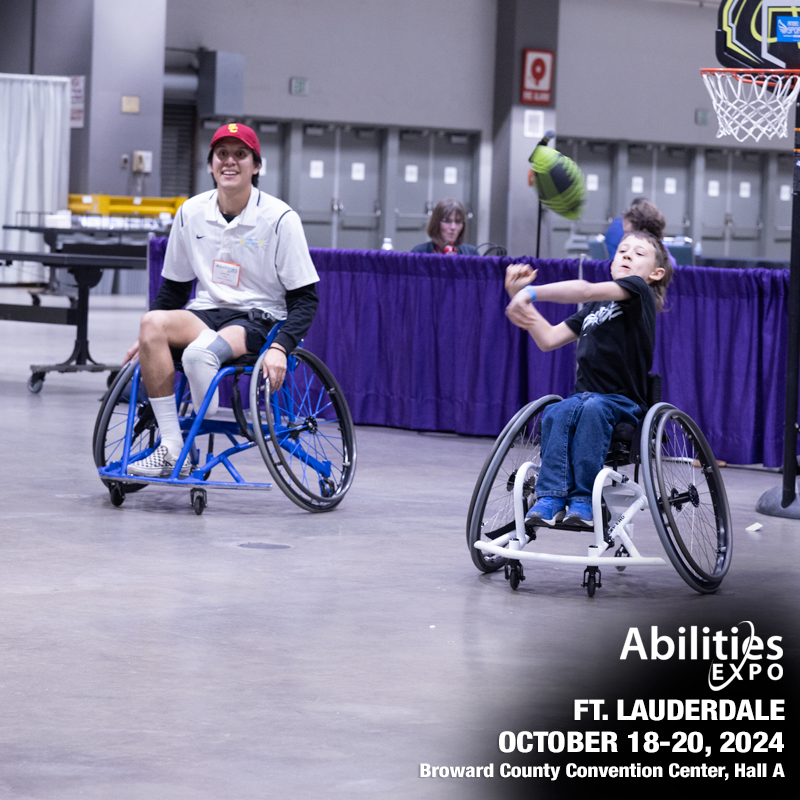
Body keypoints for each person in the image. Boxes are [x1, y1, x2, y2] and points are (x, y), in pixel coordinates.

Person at [124, 122, 319, 478]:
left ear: (256, 166)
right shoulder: (190, 212)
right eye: (222, 154)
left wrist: (281, 347)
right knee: (151, 324)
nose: (230, 162)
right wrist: (146, 343)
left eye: (240, 154)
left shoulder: (280, 219)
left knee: (201, 352)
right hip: (205, 313)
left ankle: (203, 400)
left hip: (259, 317)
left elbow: (305, 299)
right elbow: (174, 289)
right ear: (212, 164)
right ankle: (171, 446)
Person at [504, 230, 672, 527]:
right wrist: (519, 302)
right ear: (611, 262)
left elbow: (584, 290)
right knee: (556, 410)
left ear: (655, 273)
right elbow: (548, 338)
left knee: (593, 408)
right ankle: (551, 496)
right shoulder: (594, 310)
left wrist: (531, 292)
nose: (628, 255)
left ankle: (582, 499)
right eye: (622, 251)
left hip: (622, 402)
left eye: (639, 253)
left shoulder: (638, 292)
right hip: (583, 399)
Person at [412, 199, 478, 255]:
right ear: (436, 223)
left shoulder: (471, 253)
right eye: (447, 221)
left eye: (458, 222)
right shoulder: (419, 253)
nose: (453, 227)